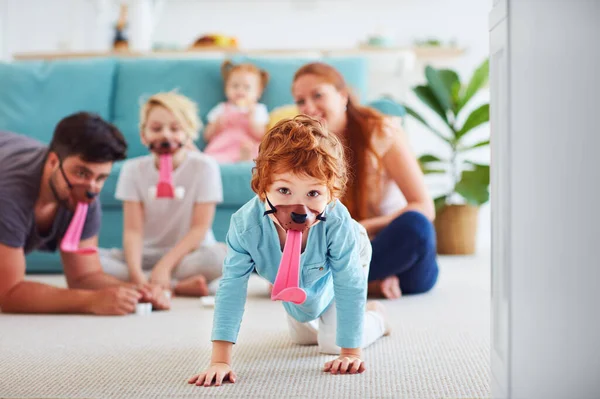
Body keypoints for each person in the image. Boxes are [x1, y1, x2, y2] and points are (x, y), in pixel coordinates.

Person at [188, 116, 390, 388]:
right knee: (303, 335)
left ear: (331, 194)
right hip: (295, 278)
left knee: (331, 342)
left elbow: (348, 282)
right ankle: (321, 314)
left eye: (314, 193)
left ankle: (375, 318)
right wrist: (220, 360)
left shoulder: (337, 223)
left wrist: (351, 352)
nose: (298, 209)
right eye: (284, 190)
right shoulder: (246, 227)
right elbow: (232, 287)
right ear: (263, 188)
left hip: (341, 266)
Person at [291, 62, 439, 299]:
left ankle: (327, 283)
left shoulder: (381, 132)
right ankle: (369, 284)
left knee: (416, 226)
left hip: (393, 250)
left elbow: (424, 207)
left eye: (318, 95)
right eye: (300, 101)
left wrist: (362, 228)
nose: (309, 107)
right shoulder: (303, 148)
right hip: (343, 252)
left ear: (343, 96)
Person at [0, 112, 170, 315]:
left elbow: (84, 276)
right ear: (53, 161)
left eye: (100, 178)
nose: (91, 188)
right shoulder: (10, 193)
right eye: (81, 173)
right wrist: (91, 301)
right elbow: (9, 294)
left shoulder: (84, 198)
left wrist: (137, 292)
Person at [99, 92, 227, 297]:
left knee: (220, 258)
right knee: (90, 261)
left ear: (188, 134)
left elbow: (199, 229)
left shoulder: (205, 167)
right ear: (144, 135)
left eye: (175, 129)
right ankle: (174, 286)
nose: (166, 135)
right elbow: (133, 231)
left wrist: (165, 267)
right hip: (145, 256)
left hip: (189, 256)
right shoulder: (132, 170)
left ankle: (161, 281)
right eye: (156, 129)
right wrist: (135, 274)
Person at [202, 60, 270, 163]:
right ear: (226, 89)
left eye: (247, 87)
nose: (240, 91)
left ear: (258, 92)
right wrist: (216, 125)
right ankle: (230, 160)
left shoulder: (258, 109)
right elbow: (206, 136)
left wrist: (252, 120)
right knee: (211, 159)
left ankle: (245, 159)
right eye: (235, 86)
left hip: (247, 144)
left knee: (260, 155)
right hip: (223, 145)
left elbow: (262, 135)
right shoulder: (221, 108)